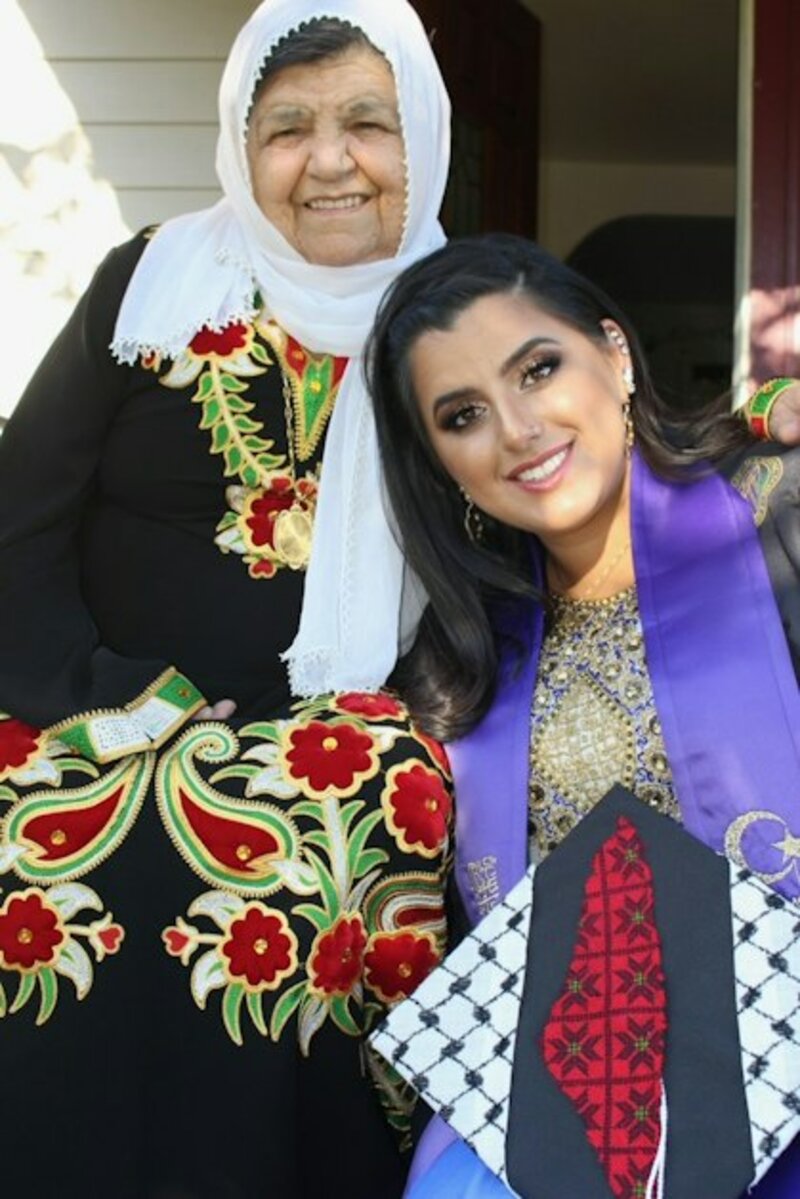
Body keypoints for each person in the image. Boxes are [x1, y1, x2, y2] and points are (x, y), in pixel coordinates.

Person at [0, 3, 454, 1196]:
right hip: (105, 698)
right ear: (239, 149)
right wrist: (91, 691)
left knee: (339, 836)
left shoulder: (465, 311)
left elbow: (550, 480)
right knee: (39, 848)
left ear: (421, 133)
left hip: (347, 732)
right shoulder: (150, 279)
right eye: (286, 128)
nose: (328, 161)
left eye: (367, 123)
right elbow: (19, 518)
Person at [364, 233, 800, 1198]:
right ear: (440, 463)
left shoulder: (777, 520)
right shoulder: (459, 656)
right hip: (576, 1081)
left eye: (538, 369)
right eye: (464, 415)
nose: (519, 430)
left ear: (615, 353)